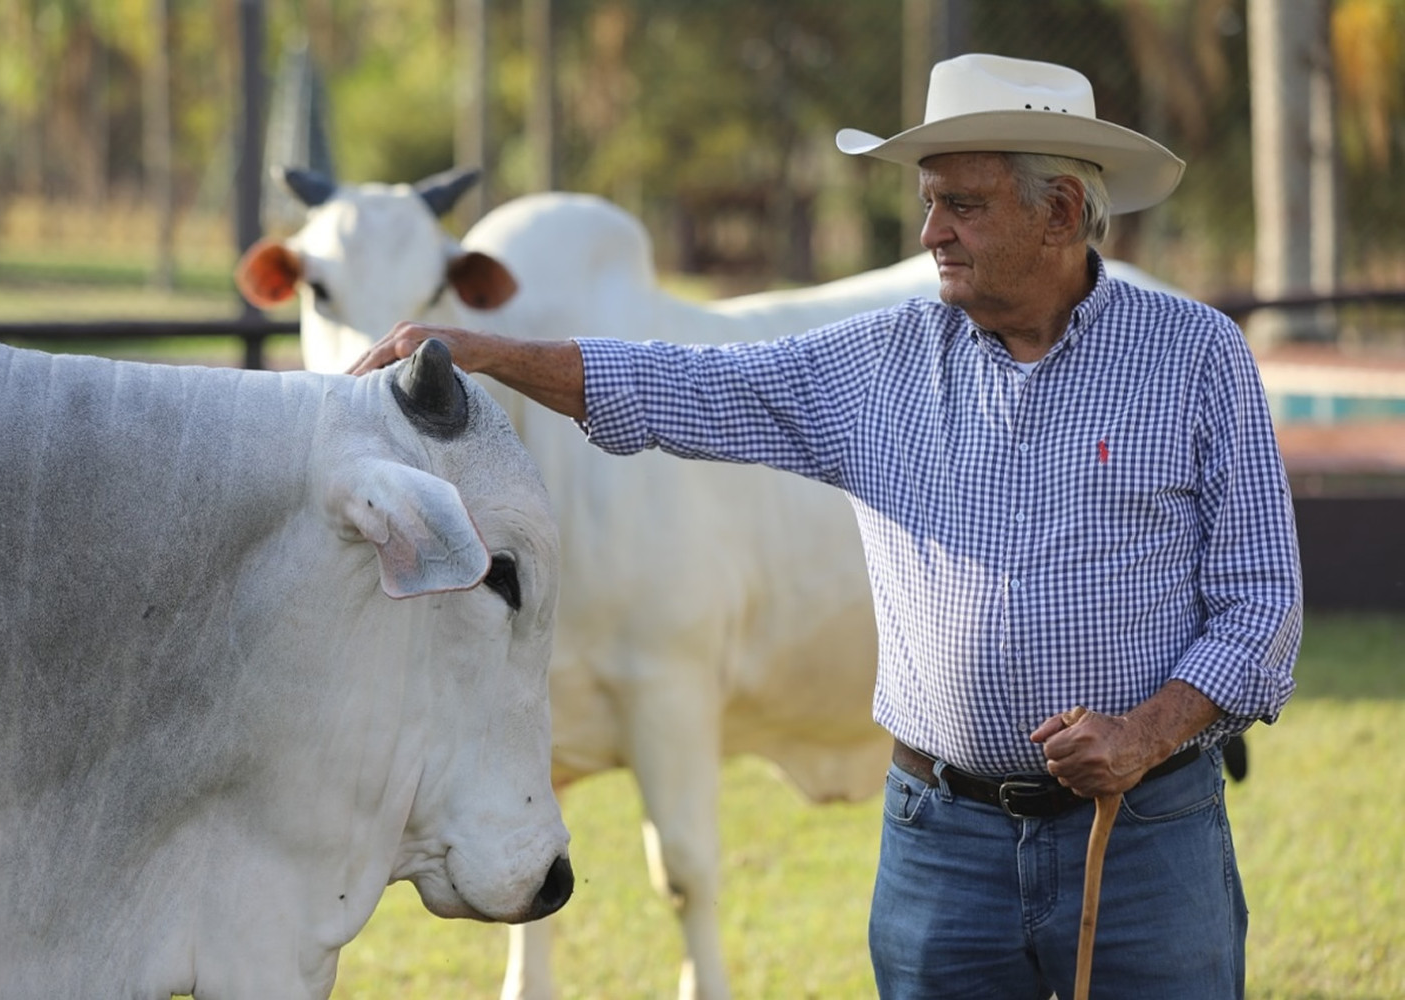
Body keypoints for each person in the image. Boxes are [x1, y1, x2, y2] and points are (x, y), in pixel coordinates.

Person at [349, 52, 1301, 1000]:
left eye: (962, 204)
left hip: (1141, 834)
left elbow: (1264, 606)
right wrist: (484, 354)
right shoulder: (880, 361)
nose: (930, 232)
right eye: (928, 201)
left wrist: (1142, 735)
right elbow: (689, 384)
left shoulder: (1195, 357)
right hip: (944, 844)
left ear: (1058, 212)